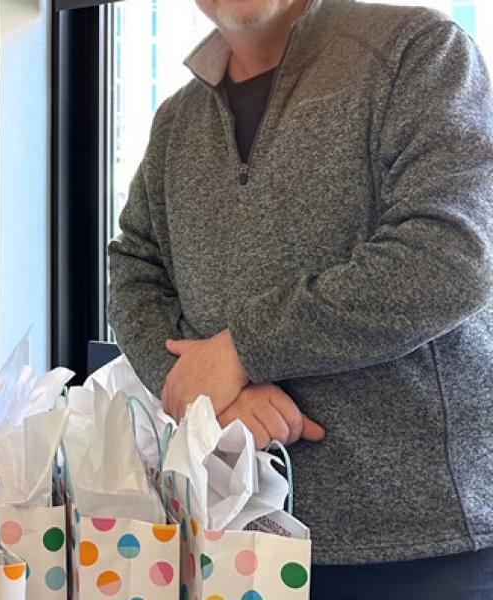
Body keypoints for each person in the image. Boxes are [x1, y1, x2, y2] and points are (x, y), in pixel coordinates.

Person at [107, 0, 493, 596]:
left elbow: (450, 255)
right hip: (227, 533)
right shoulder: (178, 119)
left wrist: (242, 351)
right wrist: (201, 390)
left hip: (419, 546)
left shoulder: (416, 50)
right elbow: (134, 268)